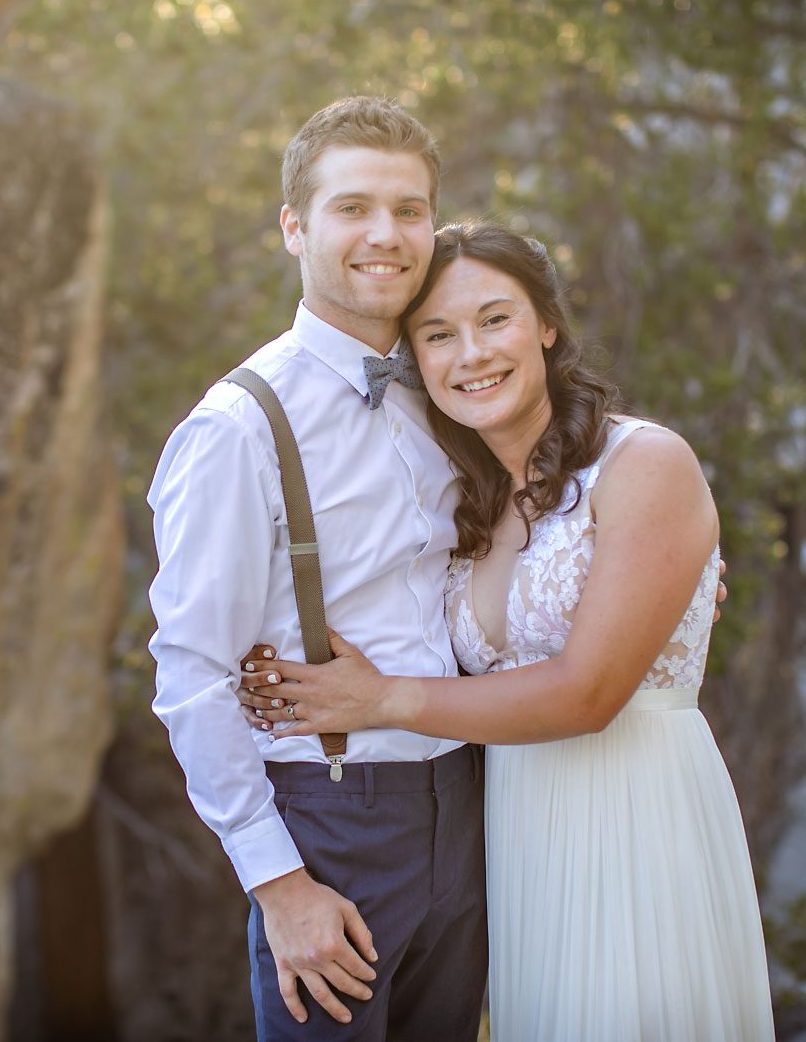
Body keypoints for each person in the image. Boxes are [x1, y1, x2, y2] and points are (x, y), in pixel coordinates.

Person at [237, 221, 775, 1040]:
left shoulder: (645, 463)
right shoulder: (470, 497)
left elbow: (589, 692)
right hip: (516, 840)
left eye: (496, 319)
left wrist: (380, 700)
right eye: (438, 335)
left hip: (635, 821)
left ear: (546, 325)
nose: (472, 354)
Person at [147, 97, 488, 1040]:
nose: (386, 234)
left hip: (472, 809)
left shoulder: (454, 386)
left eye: (409, 209)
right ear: (294, 226)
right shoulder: (239, 428)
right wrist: (280, 884)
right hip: (332, 823)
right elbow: (189, 676)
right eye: (353, 208)